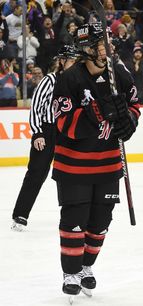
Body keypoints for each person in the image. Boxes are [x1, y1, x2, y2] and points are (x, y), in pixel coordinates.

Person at [52, 23, 140, 298]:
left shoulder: (119, 72)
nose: (107, 48)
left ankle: (86, 266)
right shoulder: (70, 79)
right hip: (73, 165)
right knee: (75, 219)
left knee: (101, 221)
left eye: (107, 43)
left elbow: (134, 104)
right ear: (87, 49)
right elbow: (64, 124)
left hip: (109, 163)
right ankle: (70, 271)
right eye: (101, 44)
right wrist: (97, 112)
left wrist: (129, 121)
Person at [11, 45, 79, 231]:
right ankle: (20, 214)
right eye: (72, 60)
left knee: (68, 174)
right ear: (62, 61)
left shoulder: (75, 82)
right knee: (36, 173)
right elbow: (36, 108)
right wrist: (38, 133)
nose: (75, 64)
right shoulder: (49, 80)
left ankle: (70, 217)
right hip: (47, 131)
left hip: (66, 133)